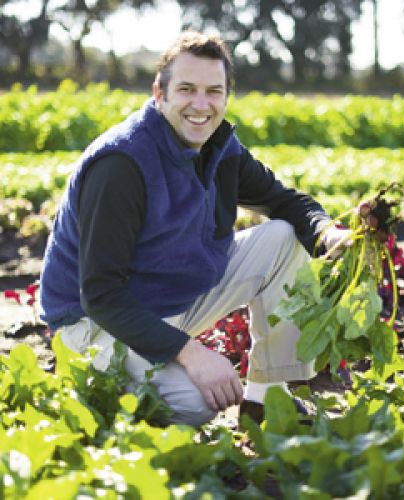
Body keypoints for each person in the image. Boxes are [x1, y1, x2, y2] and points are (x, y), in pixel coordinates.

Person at [39, 31, 377, 427]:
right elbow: (100, 295)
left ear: (226, 97)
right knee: (199, 404)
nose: (201, 105)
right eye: (187, 89)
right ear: (159, 93)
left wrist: (330, 235)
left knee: (285, 238)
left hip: (162, 299)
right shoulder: (121, 164)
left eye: (213, 92)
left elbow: (285, 201)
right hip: (94, 324)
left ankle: (266, 398)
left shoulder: (219, 146)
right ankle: (93, 384)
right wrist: (192, 353)